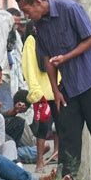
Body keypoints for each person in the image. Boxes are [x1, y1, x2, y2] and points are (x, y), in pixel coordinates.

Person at [15, 0, 91, 180]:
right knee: (67, 130)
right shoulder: (38, 25)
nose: (26, 15)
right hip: (68, 82)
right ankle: (67, 179)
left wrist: (66, 57)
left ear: (38, 2)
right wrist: (56, 90)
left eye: (27, 10)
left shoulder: (69, 8)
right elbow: (47, 58)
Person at [22, 24, 60, 172]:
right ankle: (39, 162)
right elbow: (29, 67)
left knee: (61, 124)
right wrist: (35, 90)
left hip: (56, 89)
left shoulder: (53, 39)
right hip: (42, 91)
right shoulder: (31, 41)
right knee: (43, 127)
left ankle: (58, 156)